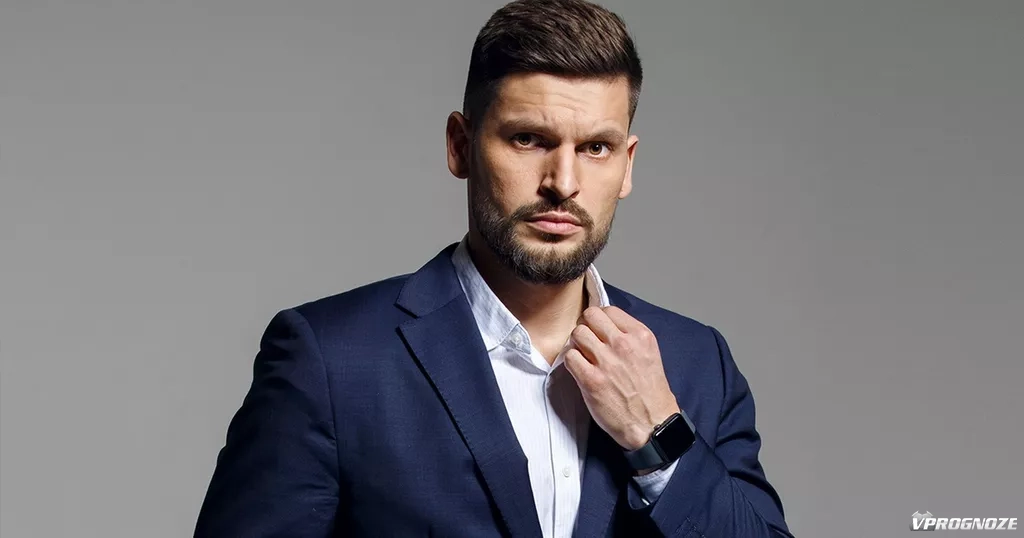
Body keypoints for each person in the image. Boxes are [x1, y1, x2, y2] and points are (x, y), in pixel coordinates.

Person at [194, 0, 792, 536]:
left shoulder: (697, 363)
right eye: (528, 139)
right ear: (461, 145)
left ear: (627, 164)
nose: (563, 182)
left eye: (596, 148)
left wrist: (659, 436)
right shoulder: (331, 361)